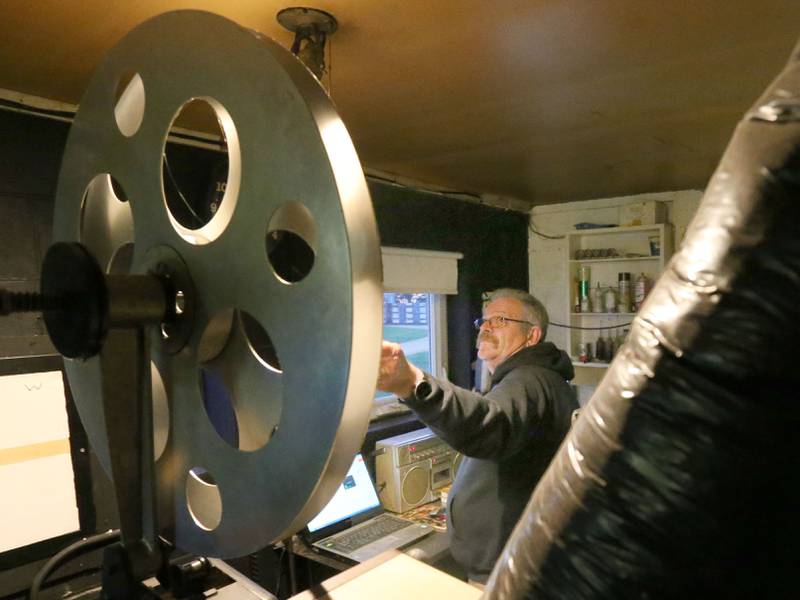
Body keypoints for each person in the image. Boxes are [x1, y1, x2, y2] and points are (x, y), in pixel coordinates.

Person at [377, 288, 577, 584]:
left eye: (500, 320)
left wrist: (412, 383)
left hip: (508, 571)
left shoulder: (528, 379)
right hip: (521, 558)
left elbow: (491, 426)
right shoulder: (543, 377)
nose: (486, 327)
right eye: (483, 321)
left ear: (532, 336)